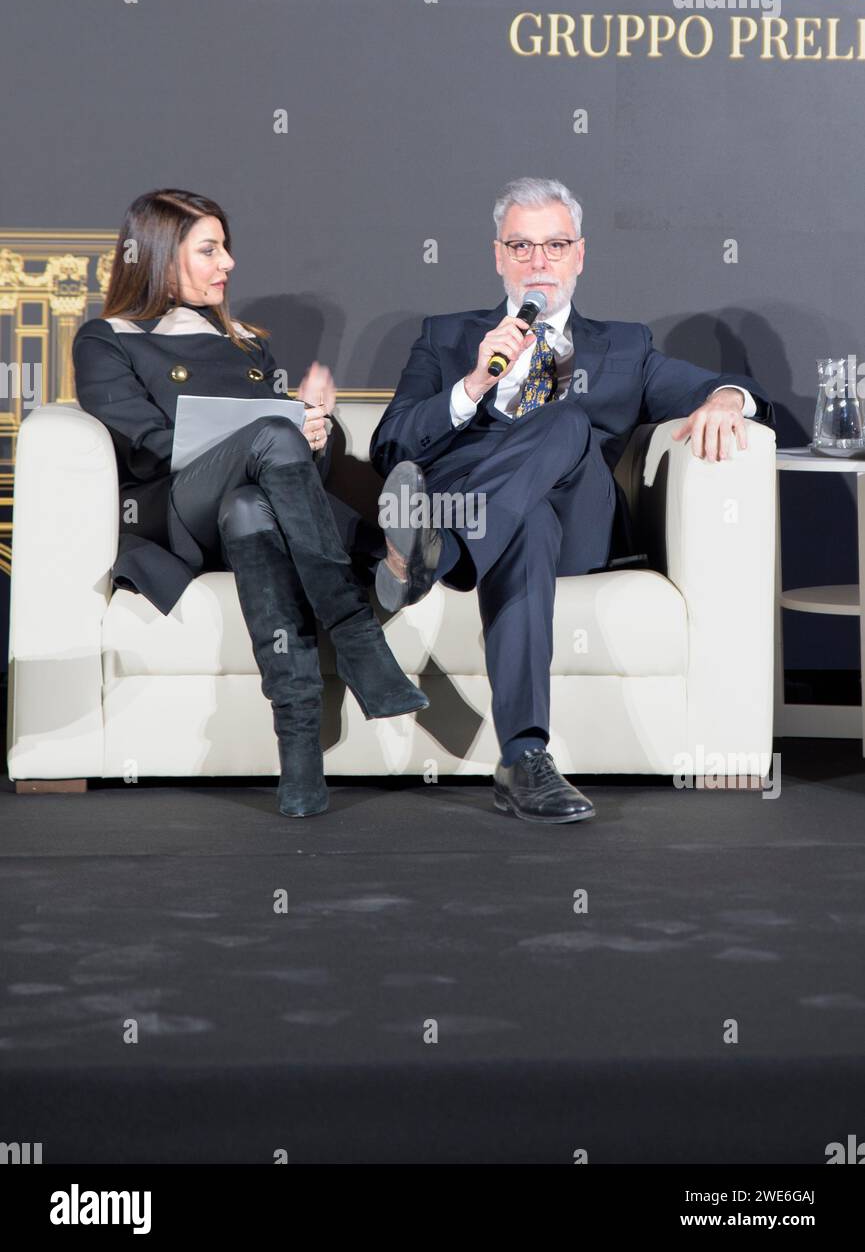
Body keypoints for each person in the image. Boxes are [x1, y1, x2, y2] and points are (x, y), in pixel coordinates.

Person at [370, 177, 775, 825]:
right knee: (522, 523)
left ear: (579, 254)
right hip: (510, 533)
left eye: (554, 245)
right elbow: (391, 445)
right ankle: (526, 759)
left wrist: (728, 401)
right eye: (521, 247)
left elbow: (732, 390)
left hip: (578, 527)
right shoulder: (446, 338)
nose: (538, 263)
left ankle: (435, 553)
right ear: (498, 256)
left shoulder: (624, 346)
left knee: (563, 422)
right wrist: (473, 383)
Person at [73, 188, 426, 820]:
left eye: (226, 248)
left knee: (250, 510)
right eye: (209, 249)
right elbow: (148, 448)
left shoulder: (247, 345)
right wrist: (274, 430)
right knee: (267, 442)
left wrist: (314, 436)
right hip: (174, 513)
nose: (228, 263)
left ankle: (299, 753)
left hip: (248, 515)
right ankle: (358, 632)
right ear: (156, 257)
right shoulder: (110, 339)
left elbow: (294, 478)